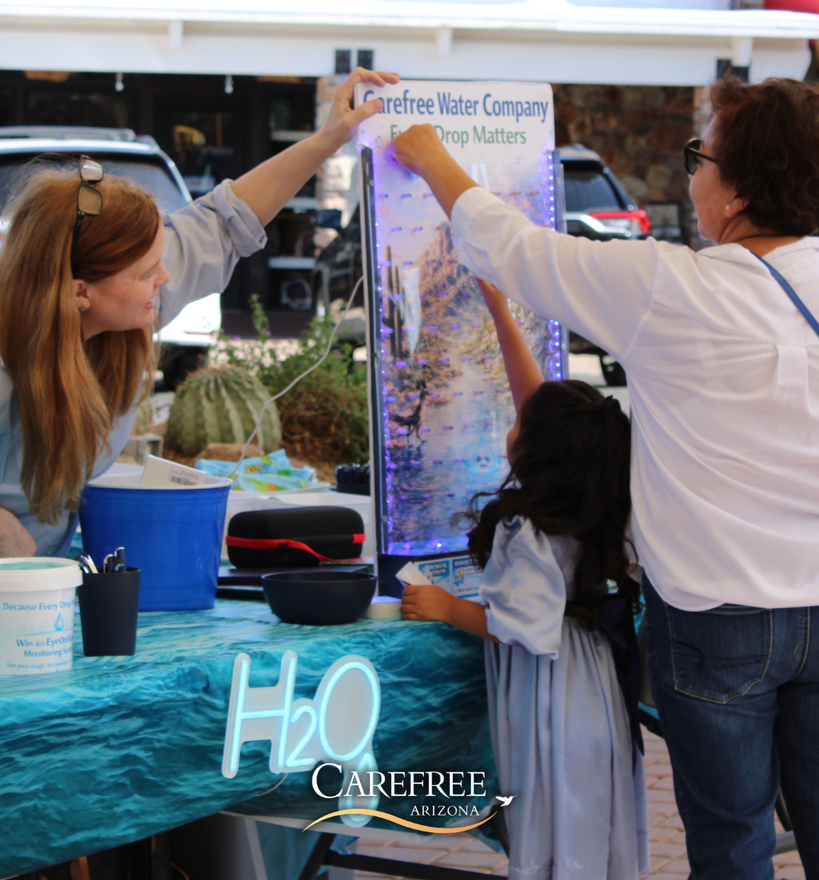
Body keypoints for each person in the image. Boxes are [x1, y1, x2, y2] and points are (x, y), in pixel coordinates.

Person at [392, 76, 819, 880]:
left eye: (700, 158)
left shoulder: (674, 288)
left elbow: (514, 249)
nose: (691, 177)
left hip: (715, 617)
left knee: (731, 847)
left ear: (738, 189)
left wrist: (429, 156)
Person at [0, 67, 398, 560]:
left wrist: (329, 139)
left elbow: (227, 219)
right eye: (146, 272)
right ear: (80, 291)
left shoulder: (128, 305)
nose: (164, 280)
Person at [401, 277, 649, 880]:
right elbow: (538, 404)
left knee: (553, 826)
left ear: (537, 452)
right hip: (598, 691)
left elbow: (525, 625)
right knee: (594, 823)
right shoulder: (608, 503)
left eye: (520, 424)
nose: (510, 423)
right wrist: (498, 310)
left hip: (554, 699)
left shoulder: (528, 530)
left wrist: (444, 607)